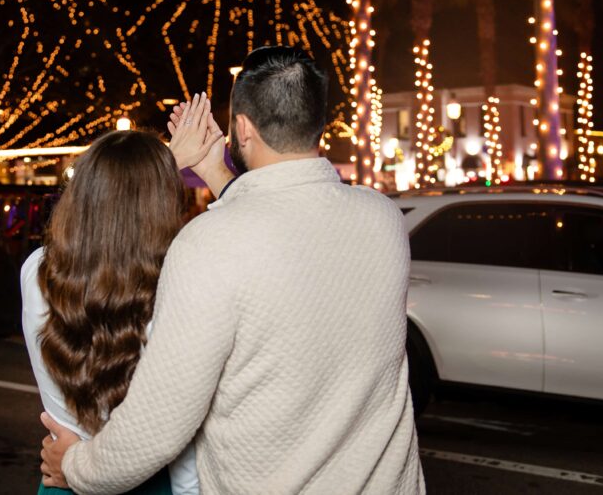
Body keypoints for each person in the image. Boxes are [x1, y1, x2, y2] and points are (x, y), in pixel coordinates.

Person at [41, 46, 425, 494]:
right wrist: (213, 171)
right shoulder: (382, 219)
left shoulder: (208, 244)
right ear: (318, 123)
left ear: (242, 128)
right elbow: (284, 224)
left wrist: (76, 467)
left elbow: (158, 426)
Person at [21, 94, 224, 495]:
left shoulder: (39, 271)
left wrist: (165, 162)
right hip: (151, 483)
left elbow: (115, 197)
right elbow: (180, 441)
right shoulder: (175, 284)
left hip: (64, 478)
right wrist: (206, 168)